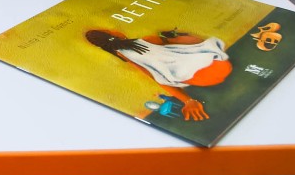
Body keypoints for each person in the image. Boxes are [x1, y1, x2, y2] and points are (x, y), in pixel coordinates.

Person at [85, 28, 232, 122]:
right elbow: (194, 41)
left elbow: (158, 78)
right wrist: (174, 35)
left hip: (200, 81)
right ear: (115, 34)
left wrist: (188, 101)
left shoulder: (127, 58)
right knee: (196, 47)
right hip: (219, 65)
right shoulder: (147, 40)